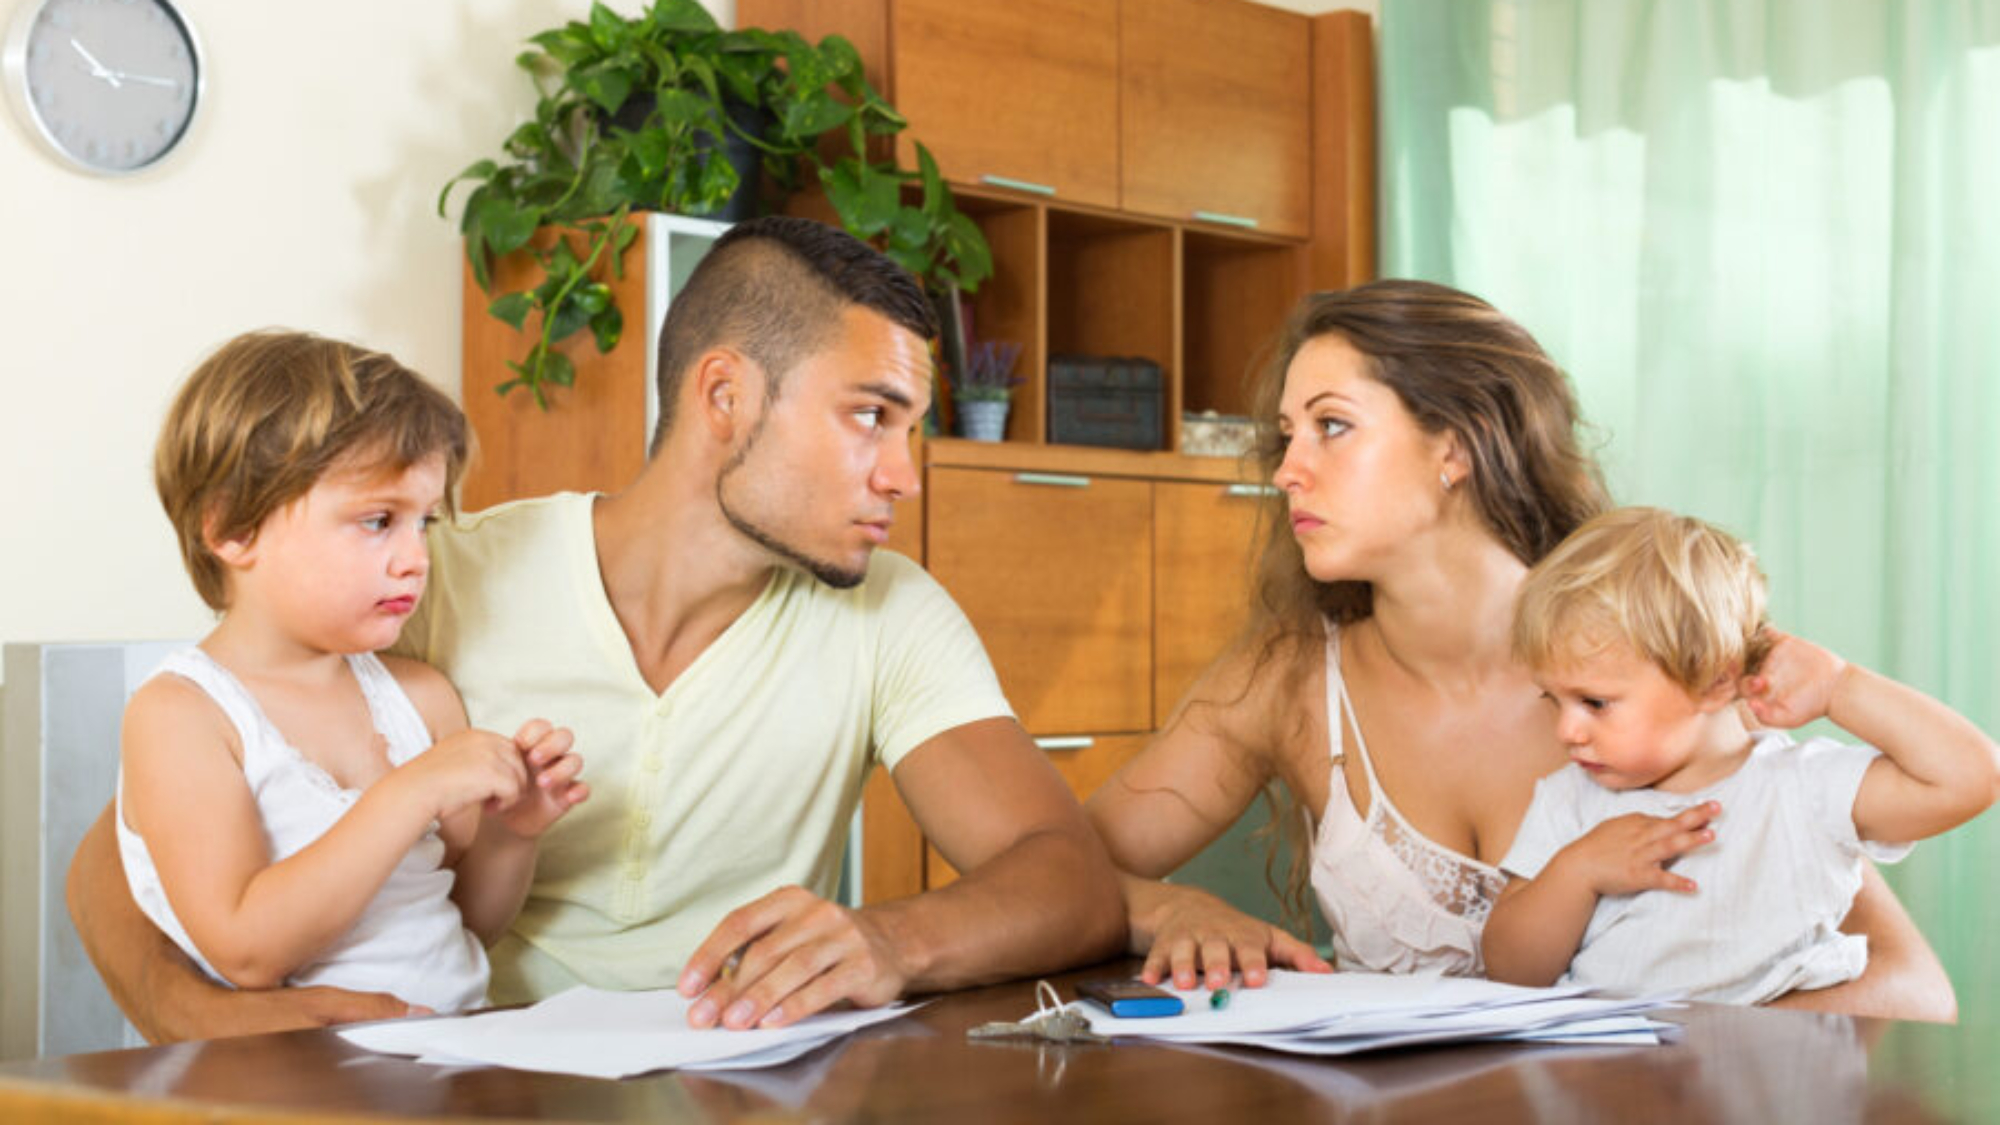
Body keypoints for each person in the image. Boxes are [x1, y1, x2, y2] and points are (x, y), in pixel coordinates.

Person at [69, 216, 1124, 1042]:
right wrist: (205, 1021)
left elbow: (1063, 877)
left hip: (729, 1073)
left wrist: (887, 939)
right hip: (472, 1072)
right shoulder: (437, 577)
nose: (902, 474)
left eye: (909, 429)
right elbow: (120, 861)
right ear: (724, 394)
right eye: (868, 415)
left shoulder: (889, 609)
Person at [1084, 280, 1958, 1020]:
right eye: (1288, 435)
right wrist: (1170, 907)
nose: (1286, 471)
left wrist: (1674, 1064)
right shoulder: (1282, 680)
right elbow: (1052, 867)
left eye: (1332, 426)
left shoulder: (1650, 652)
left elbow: (1912, 985)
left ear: (1454, 447)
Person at [119, 331, 587, 1015]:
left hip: (450, 1061)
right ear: (233, 529)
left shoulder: (419, 698)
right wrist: (409, 792)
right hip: (293, 1091)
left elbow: (462, 925)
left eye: (423, 521)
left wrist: (510, 833)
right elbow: (246, 948)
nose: (415, 559)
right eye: (377, 521)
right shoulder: (180, 716)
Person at [1481, 507, 1998, 1002]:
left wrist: (1841, 688)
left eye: (1595, 702)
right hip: (1616, 1080)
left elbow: (1971, 778)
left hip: (1781, 1077)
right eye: (1555, 700)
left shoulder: (1803, 788)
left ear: (1715, 681)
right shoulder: (1569, 803)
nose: (1567, 731)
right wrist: (1576, 872)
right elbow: (1511, 971)